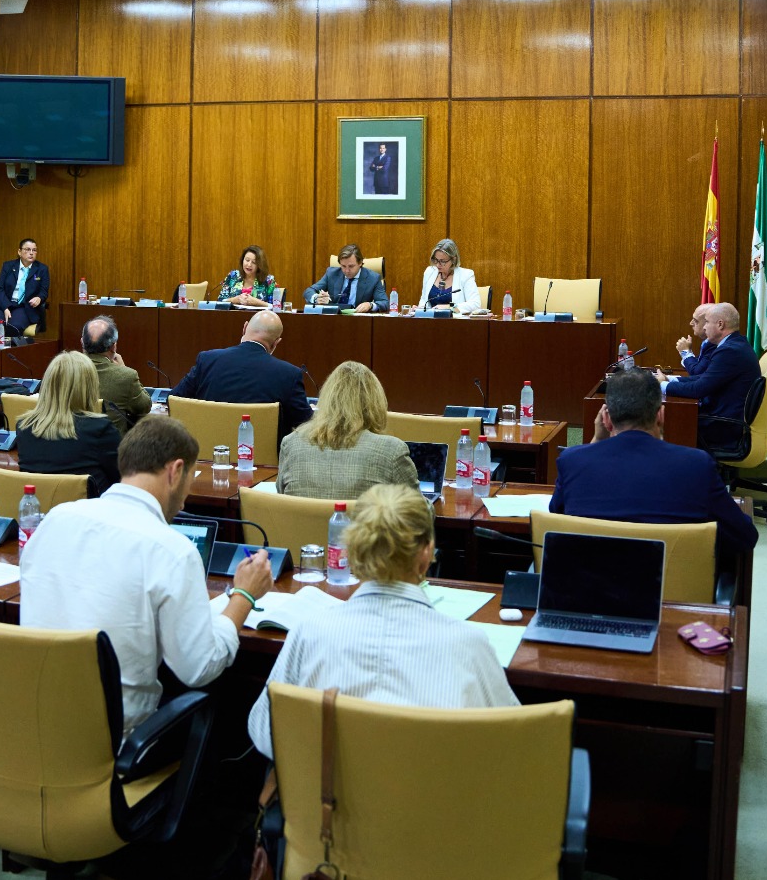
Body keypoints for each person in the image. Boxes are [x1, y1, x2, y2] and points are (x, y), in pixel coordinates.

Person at [20, 414, 273, 736]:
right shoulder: (171, 550)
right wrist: (244, 596)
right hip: (113, 744)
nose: (184, 499)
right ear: (175, 470)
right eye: (190, 480)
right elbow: (199, 668)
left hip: (32, 726)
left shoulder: (55, 519)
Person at [247, 482, 517, 759]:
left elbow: (265, 733)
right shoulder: (469, 646)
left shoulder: (308, 633)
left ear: (351, 551)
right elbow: (513, 744)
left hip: (326, 800)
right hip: (433, 800)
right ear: (426, 552)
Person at [554, 368, 758, 555]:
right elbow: (745, 536)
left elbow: (557, 526)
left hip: (589, 593)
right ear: (660, 415)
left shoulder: (572, 462)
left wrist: (596, 441)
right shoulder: (696, 466)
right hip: (672, 594)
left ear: (606, 420)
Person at [277, 362, 417, 499]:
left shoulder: (291, 444)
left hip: (302, 522)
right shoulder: (391, 451)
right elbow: (419, 514)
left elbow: (282, 498)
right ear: (376, 403)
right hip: (363, 523)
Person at [171, 310, 313, 442]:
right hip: (265, 465)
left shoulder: (207, 360)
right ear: (276, 343)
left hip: (207, 458)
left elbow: (174, 400)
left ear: (244, 328)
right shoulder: (289, 374)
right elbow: (307, 424)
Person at [656, 302, 763, 448]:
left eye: (706, 322)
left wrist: (661, 385)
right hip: (722, 417)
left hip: (722, 427)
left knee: (667, 419)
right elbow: (704, 377)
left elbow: (698, 389)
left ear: (720, 324)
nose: (704, 327)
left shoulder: (730, 351)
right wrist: (669, 379)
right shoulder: (734, 345)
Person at [15, 351, 122, 497]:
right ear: (89, 388)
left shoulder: (24, 427)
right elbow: (124, 480)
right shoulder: (100, 429)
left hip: (41, 514)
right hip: (89, 516)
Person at [81, 315, 151, 436]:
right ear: (113, 346)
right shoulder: (126, 376)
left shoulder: (62, 370)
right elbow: (145, 406)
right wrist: (123, 369)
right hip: (110, 450)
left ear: (82, 342)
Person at [0, 238, 49, 335]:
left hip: (24, 306)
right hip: (4, 303)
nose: (31, 253)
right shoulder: (8, 266)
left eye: (34, 250)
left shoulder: (42, 269)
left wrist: (39, 298)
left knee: (14, 327)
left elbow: (44, 291)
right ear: (19, 252)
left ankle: (12, 350)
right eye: (27, 249)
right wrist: (5, 307)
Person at [303, 244, 384, 311]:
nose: (347, 270)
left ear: (360, 263)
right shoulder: (332, 273)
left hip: (359, 321)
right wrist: (317, 298)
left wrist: (370, 305)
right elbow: (308, 291)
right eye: (343, 266)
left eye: (351, 266)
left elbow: (384, 302)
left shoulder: (373, 278)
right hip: (333, 319)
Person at [415, 238, 484, 315]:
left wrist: (449, 307)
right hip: (431, 322)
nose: (438, 264)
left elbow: (475, 304)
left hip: (455, 323)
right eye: (436, 260)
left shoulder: (466, 275)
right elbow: (424, 300)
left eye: (442, 261)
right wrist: (419, 309)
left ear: (453, 260)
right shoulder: (430, 272)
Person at [676, 303, 715, 375]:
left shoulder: (714, 344)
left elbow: (697, 373)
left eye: (696, 320)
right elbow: (696, 366)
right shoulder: (708, 342)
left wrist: (685, 352)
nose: (691, 323)